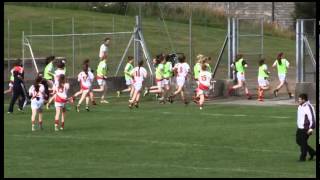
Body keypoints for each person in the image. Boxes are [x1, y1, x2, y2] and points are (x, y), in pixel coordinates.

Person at [296, 93, 316, 161]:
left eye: (300, 99)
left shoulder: (309, 107)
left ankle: (303, 157)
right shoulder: (300, 106)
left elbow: (313, 119)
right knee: (299, 141)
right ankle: (312, 152)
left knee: (303, 142)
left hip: (306, 128)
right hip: (300, 128)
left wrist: (311, 129)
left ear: (304, 100)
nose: (298, 100)